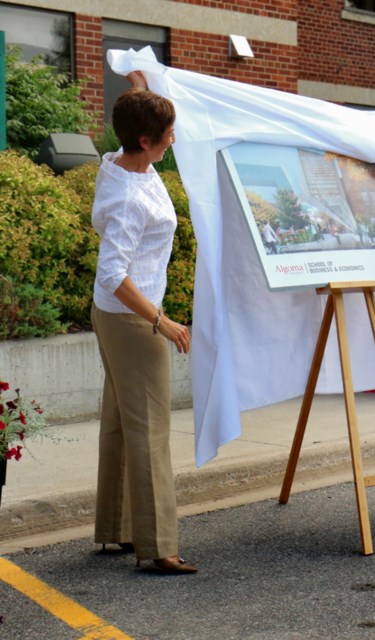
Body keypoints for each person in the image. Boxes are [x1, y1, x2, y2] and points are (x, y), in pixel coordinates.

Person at [91, 71, 197, 574]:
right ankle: (157, 546)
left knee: (118, 422)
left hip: (109, 318)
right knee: (151, 430)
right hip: (134, 322)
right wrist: (164, 323)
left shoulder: (117, 164)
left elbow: (142, 110)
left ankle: (116, 530)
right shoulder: (130, 199)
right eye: (168, 133)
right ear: (146, 141)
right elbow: (113, 274)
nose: (173, 138)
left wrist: (140, 82)